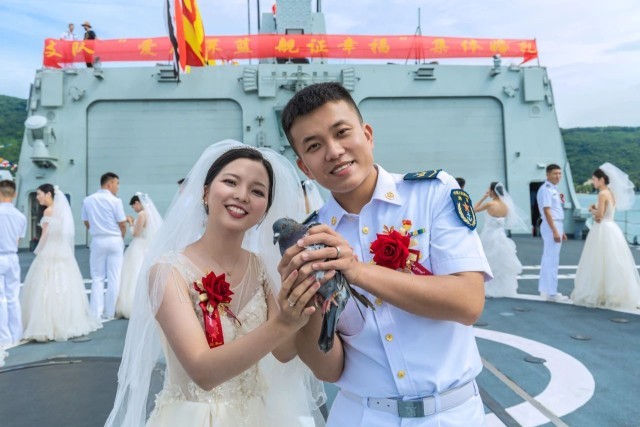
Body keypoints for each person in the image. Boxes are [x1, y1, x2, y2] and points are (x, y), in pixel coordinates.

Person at [279, 82, 491, 426]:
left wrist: (357, 270)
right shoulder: (308, 241)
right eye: (314, 146)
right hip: (361, 415)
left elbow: (468, 303)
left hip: (452, 414)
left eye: (342, 132)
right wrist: (303, 307)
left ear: (367, 135)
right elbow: (328, 371)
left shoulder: (432, 194)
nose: (333, 151)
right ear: (305, 167)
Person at [106, 140, 326, 427]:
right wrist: (284, 322)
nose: (242, 195)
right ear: (205, 192)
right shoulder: (168, 271)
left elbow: (284, 352)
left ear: (265, 209)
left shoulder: (264, 269)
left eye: (257, 191)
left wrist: (309, 295)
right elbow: (203, 371)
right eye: (231, 182)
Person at [21, 184, 102, 341]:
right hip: (62, 251)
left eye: (39, 194)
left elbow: (45, 235)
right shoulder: (61, 211)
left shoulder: (48, 211)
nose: (37, 197)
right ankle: (66, 321)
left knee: (45, 286)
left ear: (48, 194)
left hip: (49, 250)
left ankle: (47, 324)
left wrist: (37, 250)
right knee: (64, 285)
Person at [572, 164, 640, 309]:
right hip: (612, 228)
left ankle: (599, 293)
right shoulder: (611, 193)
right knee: (613, 261)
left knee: (597, 261)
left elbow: (599, 217)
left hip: (602, 229)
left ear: (602, 180)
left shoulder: (602, 194)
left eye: (594, 179)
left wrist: (591, 209)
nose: (593, 182)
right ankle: (614, 294)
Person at [82, 172, 127, 320]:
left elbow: (86, 222)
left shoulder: (88, 200)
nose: (117, 187)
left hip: (97, 240)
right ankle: (110, 312)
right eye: (117, 183)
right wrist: (121, 237)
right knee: (114, 277)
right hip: (114, 239)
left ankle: (96, 312)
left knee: (97, 277)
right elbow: (122, 223)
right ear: (109, 184)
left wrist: (96, 229)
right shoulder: (115, 201)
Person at [474, 182, 528, 298]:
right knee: (501, 263)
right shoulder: (506, 205)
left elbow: (474, 209)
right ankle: (502, 288)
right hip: (501, 235)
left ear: (492, 191)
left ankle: (487, 286)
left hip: (489, 235)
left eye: (489, 190)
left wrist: (484, 197)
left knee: (488, 260)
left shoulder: (490, 204)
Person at [115, 193, 162, 318]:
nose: (134, 209)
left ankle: (131, 303)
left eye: (133, 206)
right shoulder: (150, 214)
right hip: (147, 246)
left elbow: (135, 233)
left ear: (137, 203)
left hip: (139, 245)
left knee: (134, 273)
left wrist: (131, 223)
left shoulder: (142, 214)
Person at [0, 180, 27, 347]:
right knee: (13, 297)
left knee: (0, 299)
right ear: (14, 194)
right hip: (12, 257)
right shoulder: (21, 216)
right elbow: (18, 240)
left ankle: (4, 337)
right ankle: (17, 334)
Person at [536, 164, 568, 302]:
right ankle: (552, 293)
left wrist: (561, 230)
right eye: (555, 173)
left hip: (555, 224)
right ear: (547, 174)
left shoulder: (553, 189)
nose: (558, 176)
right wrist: (555, 230)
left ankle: (545, 290)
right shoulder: (546, 189)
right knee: (552, 260)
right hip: (552, 225)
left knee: (548, 258)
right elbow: (547, 211)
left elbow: (555, 210)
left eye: (560, 173)